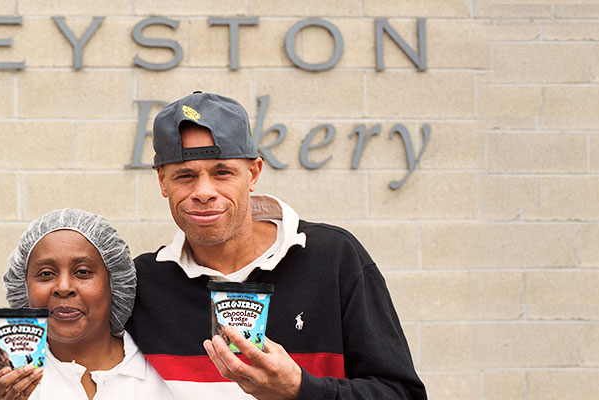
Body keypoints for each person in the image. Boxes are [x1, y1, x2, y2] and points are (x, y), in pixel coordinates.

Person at [125, 92, 426, 399]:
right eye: (185, 175)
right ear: (163, 181)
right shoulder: (142, 284)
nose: (204, 192)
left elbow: (402, 393)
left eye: (222, 173)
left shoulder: (333, 258)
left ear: (253, 173)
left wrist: (300, 389)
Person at [0, 208, 173, 400]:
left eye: (83, 272)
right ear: (24, 289)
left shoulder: (168, 376)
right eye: (46, 274)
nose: (64, 287)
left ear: (115, 282)